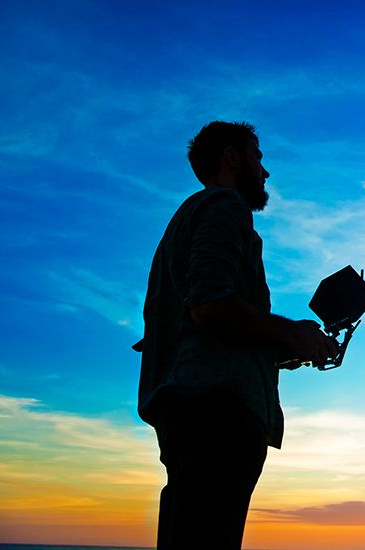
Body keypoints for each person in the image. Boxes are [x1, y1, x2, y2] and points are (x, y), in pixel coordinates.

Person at [135, 121, 337, 549]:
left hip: (196, 410)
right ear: (232, 157)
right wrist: (292, 331)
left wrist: (296, 347)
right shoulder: (225, 206)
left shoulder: (186, 220)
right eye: (258, 157)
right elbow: (211, 308)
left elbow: (206, 327)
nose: (265, 172)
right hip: (216, 412)